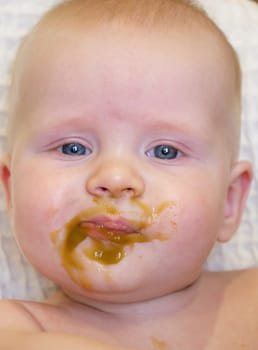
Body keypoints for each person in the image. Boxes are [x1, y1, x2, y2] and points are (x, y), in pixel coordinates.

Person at [0, 0, 257, 348]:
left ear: (229, 202)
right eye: (72, 148)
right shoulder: (17, 330)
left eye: (165, 151)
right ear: (11, 190)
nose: (116, 179)